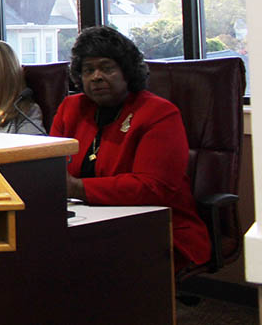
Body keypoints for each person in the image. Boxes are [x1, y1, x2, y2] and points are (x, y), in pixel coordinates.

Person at [50, 26, 209, 269]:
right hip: (86, 219)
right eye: (88, 70)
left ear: (127, 71)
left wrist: (76, 188)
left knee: (81, 264)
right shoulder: (71, 109)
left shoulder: (158, 113)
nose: (96, 77)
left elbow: (154, 188)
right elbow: (52, 169)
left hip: (159, 226)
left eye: (107, 68)